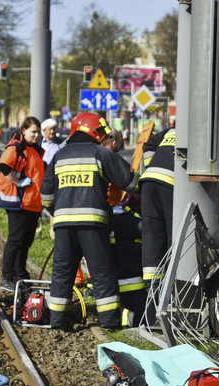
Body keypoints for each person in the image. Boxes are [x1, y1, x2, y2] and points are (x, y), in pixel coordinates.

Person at [41, 112, 136, 331]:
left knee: (62, 272)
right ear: (95, 131)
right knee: (101, 271)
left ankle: (58, 321)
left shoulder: (59, 156)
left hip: (63, 225)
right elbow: (129, 182)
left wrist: (60, 212)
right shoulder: (101, 154)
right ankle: (110, 321)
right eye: (102, 133)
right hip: (93, 225)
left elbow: (46, 196)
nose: (104, 138)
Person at [0, 116, 45, 293]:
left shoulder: (35, 150)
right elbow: (4, 166)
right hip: (19, 202)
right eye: (33, 131)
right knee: (16, 240)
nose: (37, 135)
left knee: (26, 241)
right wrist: (18, 182)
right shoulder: (17, 147)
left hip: (32, 203)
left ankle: (19, 273)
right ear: (23, 131)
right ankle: (8, 276)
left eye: (38, 132)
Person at [102, 128, 145, 326]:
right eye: (119, 141)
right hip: (112, 216)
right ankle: (118, 315)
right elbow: (128, 185)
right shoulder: (108, 159)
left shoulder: (101, 156)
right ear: (114, 142)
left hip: (109, 218)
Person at [138, 127, 175, 313]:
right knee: (172, 237)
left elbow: (149, 143)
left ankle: (152, 295)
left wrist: (151, 165)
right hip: (171, 184)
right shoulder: (201, 133)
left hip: (149, 181)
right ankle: (171, 289)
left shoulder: (172, 130)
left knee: (152, 237)